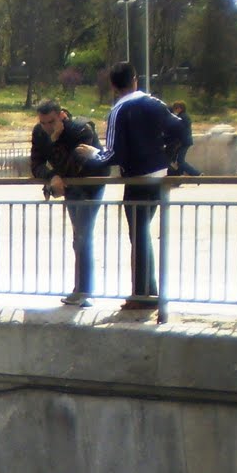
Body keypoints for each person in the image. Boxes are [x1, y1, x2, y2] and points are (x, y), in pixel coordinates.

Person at [76, 62, 185, 312]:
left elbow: (113, 154)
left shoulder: (120, 109)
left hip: (137, 179)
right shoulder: (154, 103)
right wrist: (168, 157)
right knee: (143, 233)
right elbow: (180, 129)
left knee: (138, 235)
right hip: (159, 176)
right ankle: (149, 291)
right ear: (135, 79)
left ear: (114, 86)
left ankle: (142, 294)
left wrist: (93, 155)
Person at [30, 99, 103, 307]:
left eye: (51, 122)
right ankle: (81, 288)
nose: (46, 127)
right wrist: (52, 176)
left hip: (90, 185)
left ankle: (85, 290)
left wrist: (57, 143)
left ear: (61, 115)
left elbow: (78, 164)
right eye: (43, 123)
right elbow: (35, 164)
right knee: (79, 236)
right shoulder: (39, 132)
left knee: (83, 234)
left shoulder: (81, 129)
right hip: (69, 187)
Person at [169, 102, 201, 177]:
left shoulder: (181, 117)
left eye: (176, 108)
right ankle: (179, 175)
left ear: (180, 108)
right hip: (185, 141)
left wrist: (178, 142)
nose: (175, 110)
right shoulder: (184, 116)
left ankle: (197, 173)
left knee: (180, 161)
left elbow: (181, 131)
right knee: (177, 160)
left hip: (183, 142)